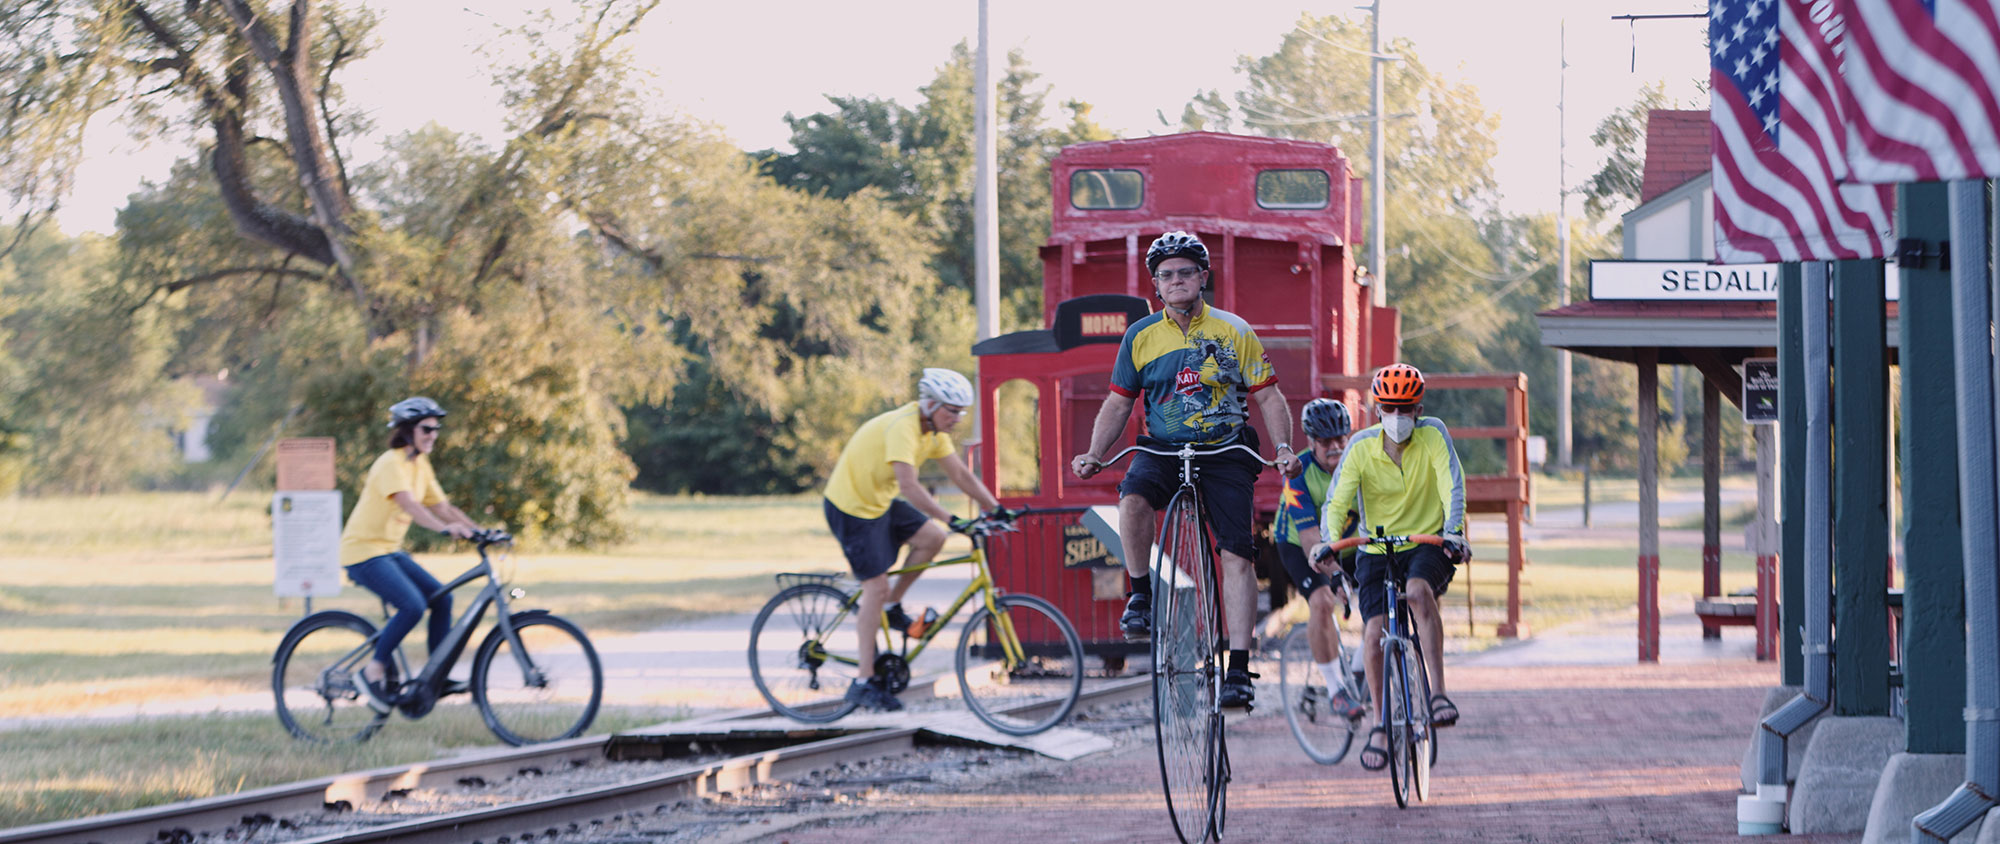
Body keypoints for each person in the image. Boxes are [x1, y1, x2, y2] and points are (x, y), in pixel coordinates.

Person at [1070, 231, 1300, 710]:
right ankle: (1140, 594)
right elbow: (1117, 403)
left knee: (1237, 556)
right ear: (1156, 284)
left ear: (1203, 278)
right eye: (1167, 274)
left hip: (1224, 450)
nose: (1177, 281)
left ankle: (1238, 670)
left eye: (1186, 272)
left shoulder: (1234, 330)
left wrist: (1281, 447)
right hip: (1165, 449)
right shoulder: (1140, 336)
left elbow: (1268, 396)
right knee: (1132, 496)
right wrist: (1094, 453)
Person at [1313, 363, 1469, 771]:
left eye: (1406, 409)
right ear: (1376, 408)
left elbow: (1452, 484)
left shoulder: (1434, 435)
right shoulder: (1361, 446)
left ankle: (1437, 693)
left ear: (1419, 410)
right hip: (1376, 547)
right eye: (1389, 408)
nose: (1398, 417)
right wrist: (1329, 541)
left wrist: (1453, 532)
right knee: (1373, 631)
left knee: (1418, 592)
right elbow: (1338, 499)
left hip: (1427, 542)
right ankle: (1380, 724)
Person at [823, 368, 1003, 712]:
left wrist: (997, 508)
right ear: (932, 404)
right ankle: (863, 681)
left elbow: (961, 474)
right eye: (952, 410)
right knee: (873, 587)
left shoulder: (934, 431)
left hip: (879, 502)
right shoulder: (904, 427)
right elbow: (909, 487)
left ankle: (892, 607)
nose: (957, 418)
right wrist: (953, 519)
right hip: (850, 507)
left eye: (961, 411)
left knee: (933, 538)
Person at [338, 396, 491, 713]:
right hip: (363, 551)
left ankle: (437, 675)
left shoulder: (420, 465)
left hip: (389, 550)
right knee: (412, 605)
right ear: (407, 430)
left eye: (436, 428)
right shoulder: (390, 463)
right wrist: (443, 529)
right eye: (427, 428)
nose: (433, 434)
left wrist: (480, 531)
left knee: (442, 598)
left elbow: (443, 507)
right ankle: (374, 670)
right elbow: (410, 505)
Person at [1275, 398, 1366, 721]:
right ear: (1311, 442)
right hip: (1300, 543)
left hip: (1350, 542)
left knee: (1380, 595)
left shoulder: (1362, 460)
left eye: (1342, 439)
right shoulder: (1298, 474)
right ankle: (1335, 690)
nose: (1336, 447)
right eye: (1327, 442)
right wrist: (1336, 574)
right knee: (1323, 602)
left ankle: (1357, 670)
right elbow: (1312, 540)